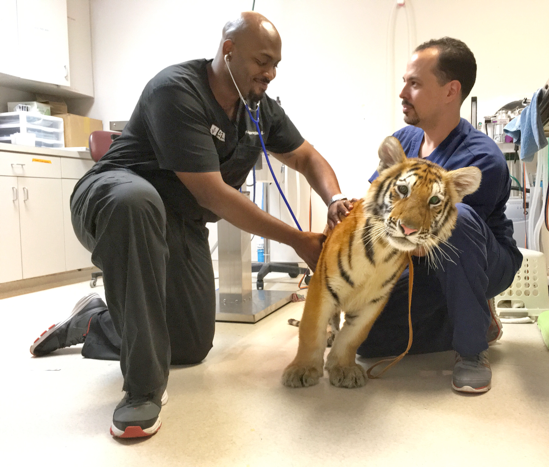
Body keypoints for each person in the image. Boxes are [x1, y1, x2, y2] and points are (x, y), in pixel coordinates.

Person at [29, 12, 354, 438]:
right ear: (228, 51)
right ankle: (142, 391)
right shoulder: (177, 91)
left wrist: (334, 198)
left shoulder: (258, 110)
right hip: (114, 199)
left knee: (190, 346)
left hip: (177, 221)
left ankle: (95, 322)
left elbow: (306, 157)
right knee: (137, 200)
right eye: (261, 61)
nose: (270, 73)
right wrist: (298, 240)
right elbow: (212, 194)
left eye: (276, 64)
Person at [358, 38, 523, 393]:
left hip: (477, 259)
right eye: (405, 81)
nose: (402, 92)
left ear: (451, 91)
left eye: (414, 83)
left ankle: (472, 350)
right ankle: (473, 319)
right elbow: (374, 206)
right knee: (366, 343)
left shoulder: (482, 158)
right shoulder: (404, 139)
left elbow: (436, 241)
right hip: (414, 254)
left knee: (457, 218)